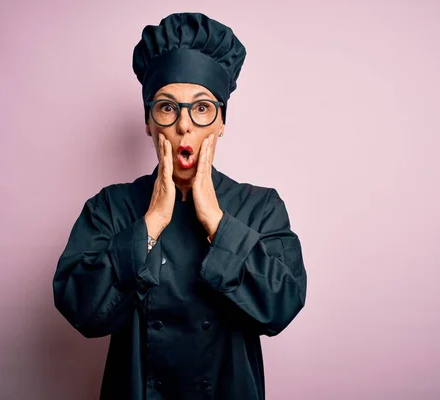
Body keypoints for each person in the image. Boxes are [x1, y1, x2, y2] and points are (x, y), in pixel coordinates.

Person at [53, 12, 307, 400]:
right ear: (148, 122)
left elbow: (282, 305)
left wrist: (217, 222)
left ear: (221, 122)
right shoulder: (111, 206)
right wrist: (151, 224)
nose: (184, 125)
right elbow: (80, 310)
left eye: (202, 108)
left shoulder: (262, 207)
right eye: (168, 108)